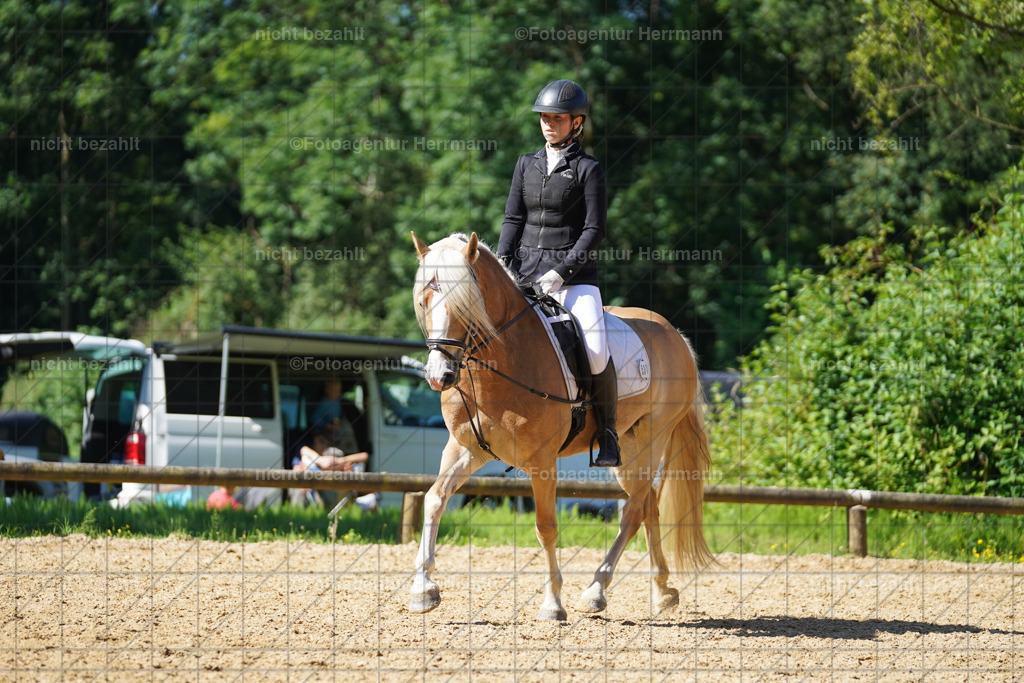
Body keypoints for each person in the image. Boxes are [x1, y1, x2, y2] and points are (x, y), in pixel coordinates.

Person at [497, 78, 620, 467]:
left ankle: (608, 433)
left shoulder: (588, 169)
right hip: (527, 276)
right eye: (544, 118)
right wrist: (503, 263)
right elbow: (513, 218)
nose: (549, 123)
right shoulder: (526, 164)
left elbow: (594, 230)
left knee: (597, 351)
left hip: (576, 277)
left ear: (577, 122)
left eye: (557, 118)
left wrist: (563, 272)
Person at [290, 425, 371, 507]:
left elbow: (365, 456)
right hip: (310, 491)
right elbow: (304, 453)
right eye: (321, 441)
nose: (324, 445)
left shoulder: (334, 455)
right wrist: (320, 462)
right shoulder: (307, 455)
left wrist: (339, 462)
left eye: (327, 443)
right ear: (314, 440)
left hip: (330, 494)